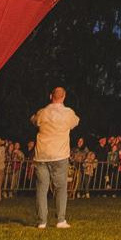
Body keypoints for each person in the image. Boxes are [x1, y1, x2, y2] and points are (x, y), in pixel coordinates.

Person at [32, 86, 80, 229]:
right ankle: (60, 219)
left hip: (42, 155)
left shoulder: (43, 112)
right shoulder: (68, 113)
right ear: (64, 97)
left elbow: (34, 121)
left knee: (42, 189)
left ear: (50, 96)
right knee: (61, 188)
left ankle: (42, 221)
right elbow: (76, 122)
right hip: (59, 155)